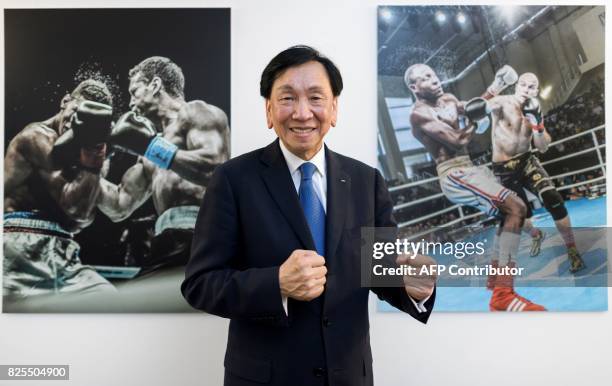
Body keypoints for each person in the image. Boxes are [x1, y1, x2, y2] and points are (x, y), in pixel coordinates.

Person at [182, 45, 436, 386]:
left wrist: (414, 290)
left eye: (316, 98)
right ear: (269, 110)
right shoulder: (232, 180)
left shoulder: (365, 181)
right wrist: (277, 284)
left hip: (347, 376)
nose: (302, 113)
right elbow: (200, 284)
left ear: (334, 109)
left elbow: (380, 273)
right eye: (287, 99)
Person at [406, 63, 546, 311]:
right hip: (453, 172)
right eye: (426, 78)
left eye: (434, 74)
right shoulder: (419, 114)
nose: (435, 79)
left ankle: (496, 282)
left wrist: (496, 87)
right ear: (414, 87)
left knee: (508, 213)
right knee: (516, 207)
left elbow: (473, 108)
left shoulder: (448, 98)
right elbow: (457, 139)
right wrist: (476, 123)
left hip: (470, 168)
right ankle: (504, 294)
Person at [97, 56, 230, 273]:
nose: (130, 103)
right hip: (165, 241)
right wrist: (92, 160)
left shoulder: (195, 112)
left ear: (155, 85)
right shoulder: (151, 150)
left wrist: (151, 146)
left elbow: (214, 169)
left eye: (134, 92)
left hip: (205, 235)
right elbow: (119, 206)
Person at [3, 79, 116, 297]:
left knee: (108, 300)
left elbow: (83, 218)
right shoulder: (35, 137)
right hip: (17, 243)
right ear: (65, 101)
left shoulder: (92, 150)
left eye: (85, 121)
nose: (76, 123)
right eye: (77, 112)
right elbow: (74, 209)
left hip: (64, 248)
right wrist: (92, 162)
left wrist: (96, 152)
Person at [489, 72, 585, 273]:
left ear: (536, 91)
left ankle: (573, 250)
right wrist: (494, 87)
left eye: (531, 86)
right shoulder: (501, 102)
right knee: (519, 215)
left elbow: (542, 147)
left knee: (553, 197)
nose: (526, 89)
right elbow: (477, 108)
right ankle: (535, 234)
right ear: (516, 86)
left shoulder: (534, 109)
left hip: (527, 162)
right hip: (503, 171)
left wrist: (538, 126)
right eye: (523, 84)